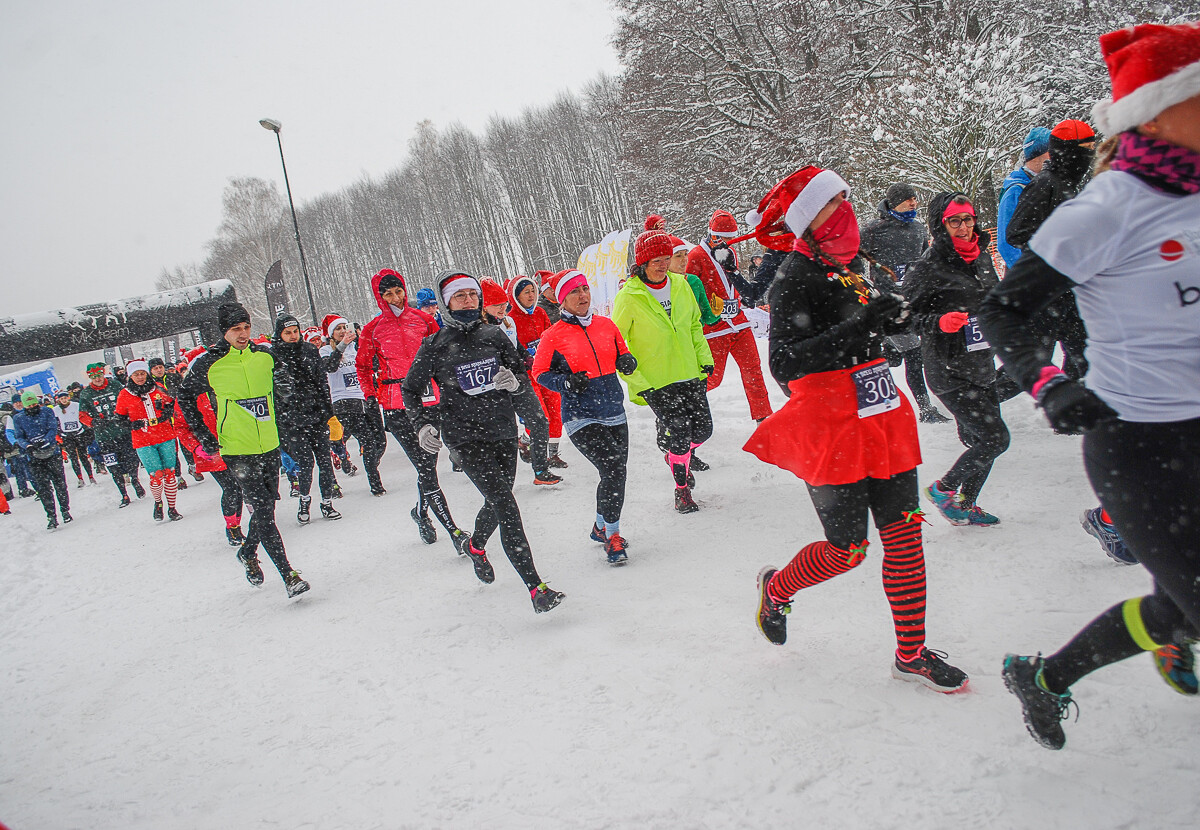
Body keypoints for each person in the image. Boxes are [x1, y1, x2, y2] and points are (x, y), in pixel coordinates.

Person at [979, 21, 1200, 749]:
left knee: (1179, 607)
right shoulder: (1107, 209)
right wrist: (1047, 384)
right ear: (1158, 110)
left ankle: (1043, 678)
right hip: (1140, 443)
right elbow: (1006, 308)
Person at [742, 164, 968, 692]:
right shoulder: (793, 277)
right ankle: (776, 589)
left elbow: (867, 337)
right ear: (808, 220)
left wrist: (893, 323)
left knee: (906, 536)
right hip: (831, 427)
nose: (845, 210)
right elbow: (786, 364)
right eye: (832, 203)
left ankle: (911, 654)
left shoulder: (851, 266)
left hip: (882, 417)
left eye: (847, 199)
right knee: (847, 550)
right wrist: (862, 326)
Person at [402, 271, 565, 612]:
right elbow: (411, 390)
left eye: (472, 295)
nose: (468, 301)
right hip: (464, 439)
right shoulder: (435, 345)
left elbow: (519, 373)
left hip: (501, 432)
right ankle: (537, 589)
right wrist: (422, 425)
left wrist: (516, 386)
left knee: (497, 501)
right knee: (507, 507)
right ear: (446, 302)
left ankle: (476, 545)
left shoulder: (495, 335)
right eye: (459, 296)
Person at [179, 302, 310, 598]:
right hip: (237, 449)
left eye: (246, 327)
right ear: (223, 331)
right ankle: (288, 575)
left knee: (267, 509)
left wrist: (284, 386)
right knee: (264, 509)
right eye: (236, 329)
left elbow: (284, 376)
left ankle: (248, 552)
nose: (242, 334)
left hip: (269, 444)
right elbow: (185, 397)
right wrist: (204, 436)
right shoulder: (209, 363)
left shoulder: (264, 355)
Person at [905, 193, 1015, 526]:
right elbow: (904, 314)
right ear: (941, 224)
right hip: (947, 369)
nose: (965, 228)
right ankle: (945, 489)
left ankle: (965, 505)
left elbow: (991, 297)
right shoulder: (928, 265)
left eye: (969, 219)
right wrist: (937, 322)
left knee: (986, 441)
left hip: (981, 364)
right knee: (996, 438)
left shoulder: (980, 256)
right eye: (955, 221)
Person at [356, 268, 468, 548]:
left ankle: (420, 513)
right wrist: (370, 395)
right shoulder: (372, 330)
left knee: (427, 465)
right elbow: (362, 364)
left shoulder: (423, 320)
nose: (395, 298)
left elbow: (444, 352)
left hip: (429, 400)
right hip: (396, 405)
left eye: (398, 291)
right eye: (388, 294)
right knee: (424, 467)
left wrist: (451, 383)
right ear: (380, 297)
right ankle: (454, 532)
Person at [532, 270, 638, 563]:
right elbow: (539, 373)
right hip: (581, 415)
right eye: (574, 292)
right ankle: (613, 535)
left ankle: (599, 526)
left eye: (585, 289)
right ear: (562, 299)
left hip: (613, 409)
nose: (583, 296)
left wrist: (627, 361)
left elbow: (622, 352)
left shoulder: (606, 325)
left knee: (615, 471)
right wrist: (565, 382)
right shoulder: (553, 335)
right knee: (614, 469)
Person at [612, 230, 714, 514]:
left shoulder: (681, 285)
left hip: (688, 371)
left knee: (704, 430)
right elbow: (618, 342)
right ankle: (682, 490)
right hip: (656, 380)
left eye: (666, 259)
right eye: (656, 259)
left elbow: (694, 324)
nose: (662, 265)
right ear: (642, 263)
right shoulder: (629, 296)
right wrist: (635, 377)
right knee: (680, 430)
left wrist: (704, 358)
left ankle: (675, 456)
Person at [859, 183, 950, 423]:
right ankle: (925, 409)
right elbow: (854, 259)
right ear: (894, 201)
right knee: (914, 353)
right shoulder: (873, 229)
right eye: (908, 199)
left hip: (916, 299)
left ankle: (888, 348)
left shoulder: (918, 228)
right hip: (887, 302)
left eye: (914, 198)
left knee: (904, 354)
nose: (913, 203)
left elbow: (924, 260)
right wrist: (867, 288)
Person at [686, 210, 773, 423]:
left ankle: (764, 418)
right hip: (715, 326)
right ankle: (683, 408)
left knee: (753, 369)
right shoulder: (696, 255)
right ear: (712, 235)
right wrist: (703, 312)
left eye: (730, 238)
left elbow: (735, 282)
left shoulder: (730, 252)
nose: (727, 242)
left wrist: (742, 297)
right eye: (723, 238)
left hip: (738, 322)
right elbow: (688, 291)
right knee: (713, 378)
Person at [483, 278, 561, 485]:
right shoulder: (479, 330)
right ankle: (499, 481)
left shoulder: (507, 322)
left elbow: (515, 347)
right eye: (496, 305)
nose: (502, 309)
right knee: (502, 434)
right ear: (484, 307)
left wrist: (527, 359)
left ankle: (540, 470)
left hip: (519, 380)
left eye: (503, 304)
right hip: (495, 388)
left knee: (539, 421)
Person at [272, 313, 341, 524]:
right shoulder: (273, 355)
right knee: (305, 464)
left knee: (325, 462)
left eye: (295, 332)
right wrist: (281, 424)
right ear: (279, 334)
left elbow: (322, 382)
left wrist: (329, 413)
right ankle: (304, 501)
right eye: (287, 333)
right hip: (293, 420)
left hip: (316, 415)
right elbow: (274, 393)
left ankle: (327, 502)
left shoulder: (310, 350)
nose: (293, 336)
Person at [173, 348, 246, 545]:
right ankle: (232, 528)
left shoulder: (227, 384)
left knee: (242, 486)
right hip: (211, 450)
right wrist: (197, 447)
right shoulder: (188, 395)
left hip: (237, 445)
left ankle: (249, 522)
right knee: (231, 487)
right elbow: (180, 427)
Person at [320, 313, 386, 494]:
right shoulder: (326, 351)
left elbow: (372, 365)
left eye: (344, 327)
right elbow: (330, 367)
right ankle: (375, 483)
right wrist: (342, 346)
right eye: (338, 329)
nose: (342, 331)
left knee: (380, 440)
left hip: (365, 398)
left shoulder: (357, 349)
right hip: (344, 402)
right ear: (331, 334)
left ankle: (371, 462)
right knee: (368, 441)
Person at [507, 274, 566, 476]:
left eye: (533, 291)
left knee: (556, 410)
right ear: (516, 296)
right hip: (527, 374)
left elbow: (550, 336)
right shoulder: (510, 319)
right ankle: (526, 442)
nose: (531, 295)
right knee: (540, 415)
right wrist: (525, 354)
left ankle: (553, 453)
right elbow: (509, 347)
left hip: (546, 370)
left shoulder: (541, 312)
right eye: (526, 292)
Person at [115, 359, 182, 521]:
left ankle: (172, 508)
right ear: (130, 376)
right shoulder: (125, 394)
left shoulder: (158, 388)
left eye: (142, 374)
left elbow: (171, 404)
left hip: (165, 435)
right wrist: (133, 424)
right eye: (136, 375)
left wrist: (166, 413)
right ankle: (158, 503)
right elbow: (119, 419)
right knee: (156, 475)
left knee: (170, 473)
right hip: (143, 440)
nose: (140, 377)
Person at [78, 363, 146, 506]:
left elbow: (129, 401)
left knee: (132, 460)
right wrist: (93, 422)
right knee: (113, 465)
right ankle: (124, 494)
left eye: (99, 375)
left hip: (123, 432)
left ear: (103, 374)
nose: (97, 379)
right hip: (104, 437)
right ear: (90, 378)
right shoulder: (86, 393)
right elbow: (82, 415)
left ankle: (135, 480)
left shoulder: (115, 385)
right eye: (93, 377)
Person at [11, 389, 72, 528]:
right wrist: (28, 446)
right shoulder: (18, 419)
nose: (32, 408)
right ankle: (51, 516)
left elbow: (53, 428)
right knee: (43, 488)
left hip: (52, 452)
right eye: (29, 406)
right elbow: (19, 436)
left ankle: (65, 511)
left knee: (60, 484)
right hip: (34, 457)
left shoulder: (46, 412)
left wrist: (46, 440)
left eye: (34, 405)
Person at [997, 126, 1051, 268]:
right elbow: (1005, 244)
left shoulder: (1049, 185)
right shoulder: (1015, 190)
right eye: (1050, 152)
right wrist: (1030, 274)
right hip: (1031, 280)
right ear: (1038, 155)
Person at [52, 389, 96, 487]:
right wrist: (59, 436)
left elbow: (83, 416)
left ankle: (90, 476)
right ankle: (80, 478)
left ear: (68, 397)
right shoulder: (56, 410)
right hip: (67, 436)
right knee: (73, 458)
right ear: (58, 400)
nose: (64, 400)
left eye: (65, 398)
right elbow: (55, 423)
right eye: (61, 398)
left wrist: (86, 430)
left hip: (79, 433)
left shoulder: (76, 405)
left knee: (83, 456)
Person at [4, 394, 36, 498]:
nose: (18, 404)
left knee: (36, 467)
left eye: (20, 402)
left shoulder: (30, 411)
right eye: (16, 402)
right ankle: (36, 489)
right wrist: (15, 442)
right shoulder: (11, 416)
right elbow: (9, 432)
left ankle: (43, 485)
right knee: (27, 469)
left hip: (34, 443)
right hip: (21, 446)